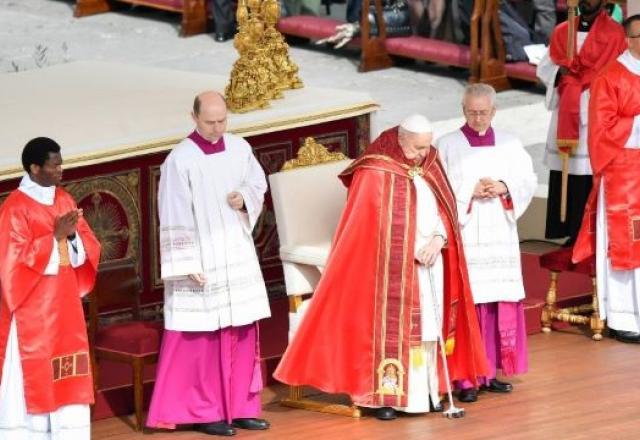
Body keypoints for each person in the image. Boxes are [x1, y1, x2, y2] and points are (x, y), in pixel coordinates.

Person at [274, 114, 489, 421]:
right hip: (388, 272)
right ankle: (384, 398)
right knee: (391, 333)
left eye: (427, 147)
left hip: (430, 261)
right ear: (401, 140)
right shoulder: (375, 171)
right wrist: (411, 248)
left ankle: (426, 394)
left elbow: (446, 209)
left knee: (427, 330)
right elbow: (365, 228)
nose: (424, 154)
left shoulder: (429, 162)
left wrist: (438, 239)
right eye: (417, 148)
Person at [146, 91, 271, 436]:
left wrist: (244, 197)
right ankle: (206, 411)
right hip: (201, 259)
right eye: (209, 122)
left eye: (222, 121)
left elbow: (257, 183)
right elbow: (171, 211)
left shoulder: (240, 148)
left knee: (242, 332)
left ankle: (242, 406)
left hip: (235, 251)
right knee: (203, 340)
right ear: (194, 117)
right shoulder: (180, 160)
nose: (217, 129)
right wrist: (185, 260)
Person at [436, 84, 537, 403]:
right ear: (463, 110)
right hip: (468, 233)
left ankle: (490, 371)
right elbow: (438, 187)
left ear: (494, 112)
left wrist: (503, 185)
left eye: (483, 112)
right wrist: (468, 191)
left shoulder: (510, 142)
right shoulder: (447, 144)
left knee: (497, 303)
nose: (477, 118)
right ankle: (466, 377)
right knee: (471, 305)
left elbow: (527, 179)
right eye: (471, 112)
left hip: (499, 231)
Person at [0, 137, 101, 439]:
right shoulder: (15, 208)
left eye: (61, 163)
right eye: (54, 165)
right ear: (34, 168)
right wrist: (54, 236)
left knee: (68, 376)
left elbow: (87, 246)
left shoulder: (64, 199)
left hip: (65, 308)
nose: (61, 170)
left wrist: (70, 238)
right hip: (33, 312)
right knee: (34, 377)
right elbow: (11, 265)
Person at [573, 15, 640, 344]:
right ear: (627, 39)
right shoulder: (610, 76)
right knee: (625, 245)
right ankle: (624, 316)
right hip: (623, 173)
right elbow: (601, 130)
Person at [537, 0, 626, 246]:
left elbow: (622, 70)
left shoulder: (615, 34)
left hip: (596, 107)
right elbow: (546, 67)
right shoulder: (562, 31)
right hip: (567, 105)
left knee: (589, 172)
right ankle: (568, 230)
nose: (588, 1)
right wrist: (560, 74)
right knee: (567, 172)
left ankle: (589, 234)